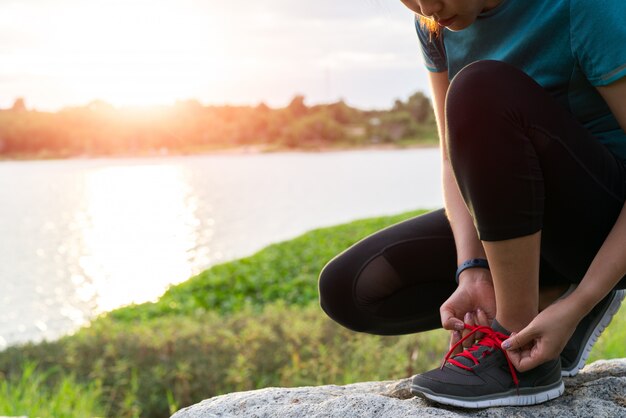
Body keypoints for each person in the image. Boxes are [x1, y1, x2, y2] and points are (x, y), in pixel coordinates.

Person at [318, 0, 626, 408]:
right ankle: (542, 292)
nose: (428, 7)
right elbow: (452, 157)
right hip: (524, 222)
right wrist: (473, 271)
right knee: (352, 288)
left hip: (603, 223)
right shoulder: (433, 22)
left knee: (480, 87)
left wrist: (581, 300)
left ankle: (516, 351)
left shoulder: (584, 7)